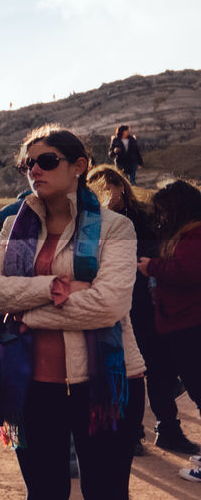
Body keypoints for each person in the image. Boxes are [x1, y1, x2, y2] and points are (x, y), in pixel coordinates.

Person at [0, 127, 147, 500]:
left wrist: (27, 311)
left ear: (79, 166)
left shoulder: (116, 228)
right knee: (45, 497)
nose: (35, 170)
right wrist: (54, 286)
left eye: (47, 160)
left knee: (107, 498)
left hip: (107, 384)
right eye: (27, 164)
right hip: (33, 385)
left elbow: (107, 305)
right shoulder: (15, 225)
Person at [89, 165, 198, 456]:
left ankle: (168, 430)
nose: (104, 194)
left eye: (108, 187)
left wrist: (152, 269)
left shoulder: (143, 219)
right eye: (96, 188)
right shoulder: (91, 221)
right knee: (125, 370)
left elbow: (167, 253)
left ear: (121, 186)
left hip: (148, 302)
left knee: (160, 368)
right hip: (118, 304)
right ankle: (131, 432)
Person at [136, 180, 201, 479]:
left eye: (164, 211)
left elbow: (185, 271)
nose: (161, 217)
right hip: (182, 323)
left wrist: (152, 267)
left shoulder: (195, 235)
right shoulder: (187, 234)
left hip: (189, 325)